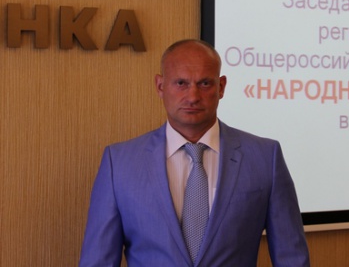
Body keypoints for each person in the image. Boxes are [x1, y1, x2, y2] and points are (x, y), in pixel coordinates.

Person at [79, 39, 310, 267]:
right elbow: (98, 261)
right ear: (160, 86)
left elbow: (291, 257)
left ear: (221, 87)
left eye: (205, 83)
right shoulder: (119, 163)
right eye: (181, 83)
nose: (193, 96)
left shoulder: (265, 158)